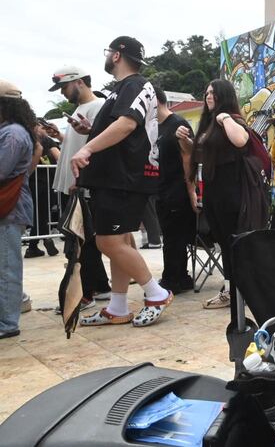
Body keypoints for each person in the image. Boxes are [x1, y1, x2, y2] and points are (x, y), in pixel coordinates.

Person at [73, 36, 172, 328]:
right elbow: (124, 127)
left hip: (124, 178)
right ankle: (117, 306)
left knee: (108, 241)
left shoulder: (136, 85)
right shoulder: (122, 90)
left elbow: (128, 124)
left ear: (117, 55)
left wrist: (87, 148)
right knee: (120, 240)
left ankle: (156, 293)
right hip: (117, 177)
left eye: (108, 53)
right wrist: (91, 131)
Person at [178, 79, 250, 309]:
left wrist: (226, 118)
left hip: (231, 192)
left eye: (214, 93)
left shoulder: (230, 120)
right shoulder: (208, 123)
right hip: (213, 192)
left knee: (233, 242)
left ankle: (237, 290)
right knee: (223, 242)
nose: (209, 97)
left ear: (224, 96)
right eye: (207, 92)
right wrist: (187, 141)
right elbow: (200, 156)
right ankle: (232, 289)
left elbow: (241, 140)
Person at [46, 66, 111, 308]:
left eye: (64, 87)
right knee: (84, 240)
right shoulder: (81, 109)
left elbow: (99, 146)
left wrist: (81, 180)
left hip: (81, 186)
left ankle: (87, 292)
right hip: (74, 185)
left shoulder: (97, 107)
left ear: (80, 82)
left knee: (79, 242)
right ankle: (100, 286)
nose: (62, 92)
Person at [0, 80, 35, 339]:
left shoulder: (12, 133)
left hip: (10, 208)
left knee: (7, 267)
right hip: (9, 206)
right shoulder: (12, 131)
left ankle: (7, 322)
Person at [154, 88, 196, 294]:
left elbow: (189, 157)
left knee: (174, 236)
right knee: (170, 235)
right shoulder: (155, 127)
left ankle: (173, 278)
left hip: (177, 188)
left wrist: (191, 192)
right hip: (161, 188)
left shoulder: (178, 124)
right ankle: (180, 276)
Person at [24, 124, 60, 258]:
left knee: (37, 214)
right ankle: (43, 239)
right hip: (44, 182)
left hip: (30, 181)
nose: (45, 130)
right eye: (42, 127)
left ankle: (34, 246)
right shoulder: (45, 140)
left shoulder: (25, 138)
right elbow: (58, 156)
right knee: (43, 213)